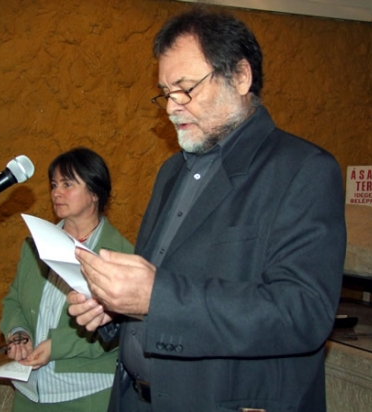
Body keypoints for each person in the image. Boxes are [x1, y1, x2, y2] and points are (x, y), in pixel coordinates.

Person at [67, 8, 347, 412]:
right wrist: (115, 308)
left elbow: (301, 313)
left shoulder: (303, 169)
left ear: (241, 77)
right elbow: (162, 288)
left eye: (186, 89)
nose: (171, 107)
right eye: (166, 93)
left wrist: (155, 298)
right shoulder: (171, 171)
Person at [0, 147, 134, 412]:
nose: (56, 192)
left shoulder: (121, 255)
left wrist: (56, 346)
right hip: (29, 393)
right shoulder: (34, 245)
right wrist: (18, 334)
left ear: (94, 193)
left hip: (86, 395)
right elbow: (13, 300)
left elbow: (122, 329)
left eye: (67, 184)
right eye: (54, 184)